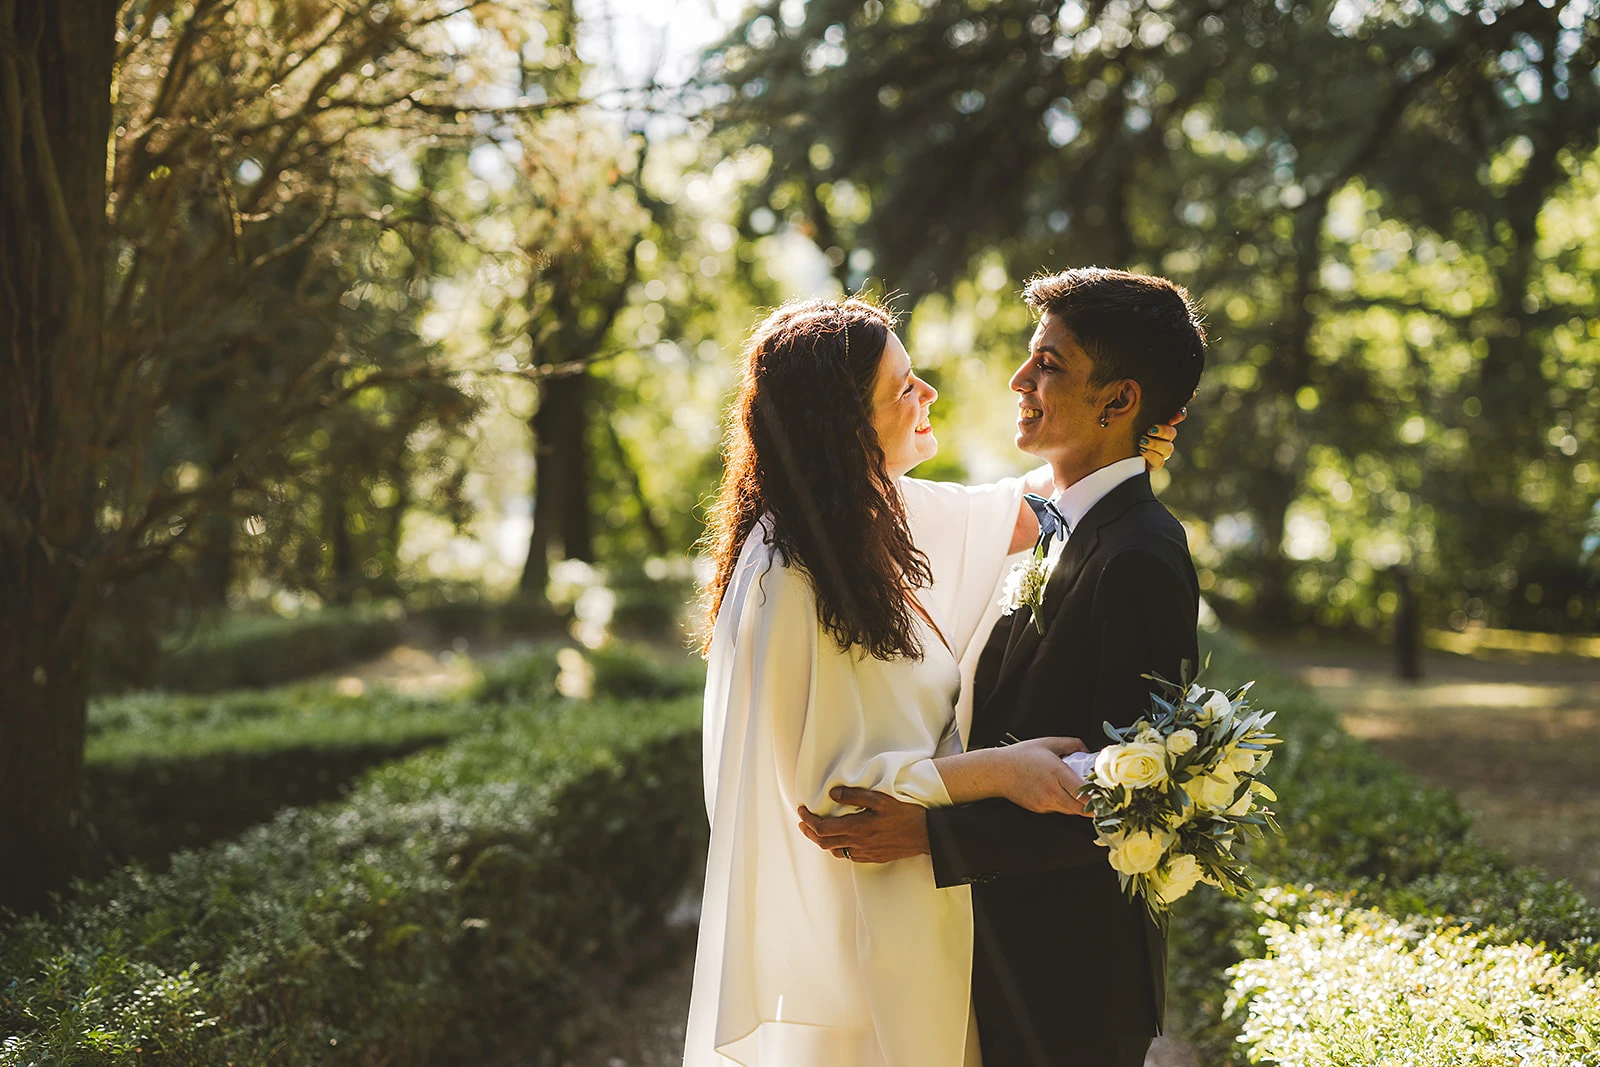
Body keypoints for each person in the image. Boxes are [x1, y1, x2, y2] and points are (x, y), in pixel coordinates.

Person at [682, 297, 1180, 1067]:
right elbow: (835, 806)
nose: (929, 396)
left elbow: (1041, 509)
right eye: (904, 387)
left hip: (936, 926)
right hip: (868, 944)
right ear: (847, 427)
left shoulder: (877, 519)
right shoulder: (790, 573)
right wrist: (1005, 772)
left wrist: (1126, 443)